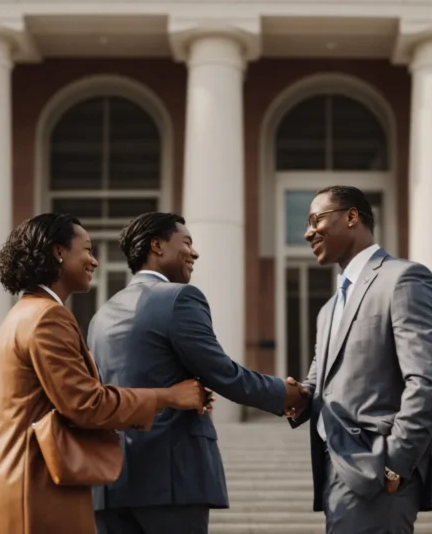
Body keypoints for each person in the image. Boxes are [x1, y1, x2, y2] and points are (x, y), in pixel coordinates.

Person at [0, 212, 210, 534]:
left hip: (17, 480)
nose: (94, 261)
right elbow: (86, 404)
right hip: (38, 485)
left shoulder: (19, 315)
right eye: (86, 250)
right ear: (59, 252)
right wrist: (169, 396)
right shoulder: (48, 318)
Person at [87, 211, 310, 534]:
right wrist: (288, 395)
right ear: (157, 246)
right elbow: (223, 373)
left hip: (109, 484)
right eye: (187, 243)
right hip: (171, 481)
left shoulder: (101, 314)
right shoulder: (179, 298)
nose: (195, 253)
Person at [287, 186, 432, 533]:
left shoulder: (404, 279)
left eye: (315, 220)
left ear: (351, 217)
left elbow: (430, 382)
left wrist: (394, 462)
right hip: (337, 471)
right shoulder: (328, 309)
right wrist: (291, 395)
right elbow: (318, 384)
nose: (306, 233)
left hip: (377, 471)